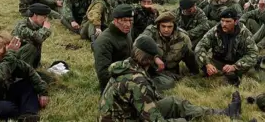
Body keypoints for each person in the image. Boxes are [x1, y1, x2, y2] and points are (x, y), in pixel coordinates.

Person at [98, 35, 241, 121]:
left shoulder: (127, 64)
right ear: (150, 59)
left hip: (127, 114)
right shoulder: (137, 81)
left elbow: (151, 99)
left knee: (174, 102)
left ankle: (223, 113)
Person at [195, 8, 258, 86]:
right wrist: (207, 64)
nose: (224, 24)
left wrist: (235, 66)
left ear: (235, 22)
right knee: (202, 67)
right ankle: (223, 76)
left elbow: (253, 54)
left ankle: (229, 77)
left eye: (228, 21)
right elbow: (200, 46)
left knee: (251, 73)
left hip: (237, 62)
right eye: (222, 20)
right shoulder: (215, 30)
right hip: (219, 61)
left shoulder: (245, 33)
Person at [12, 3, 52, 68]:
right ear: (35, 15)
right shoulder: (22, 26)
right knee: (31, 46)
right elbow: (38, 38)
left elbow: (40, 39)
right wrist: (45, 29)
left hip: (28, 59)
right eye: (44, 17)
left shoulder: (39, 25)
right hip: (15, 59)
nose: (45, 20)